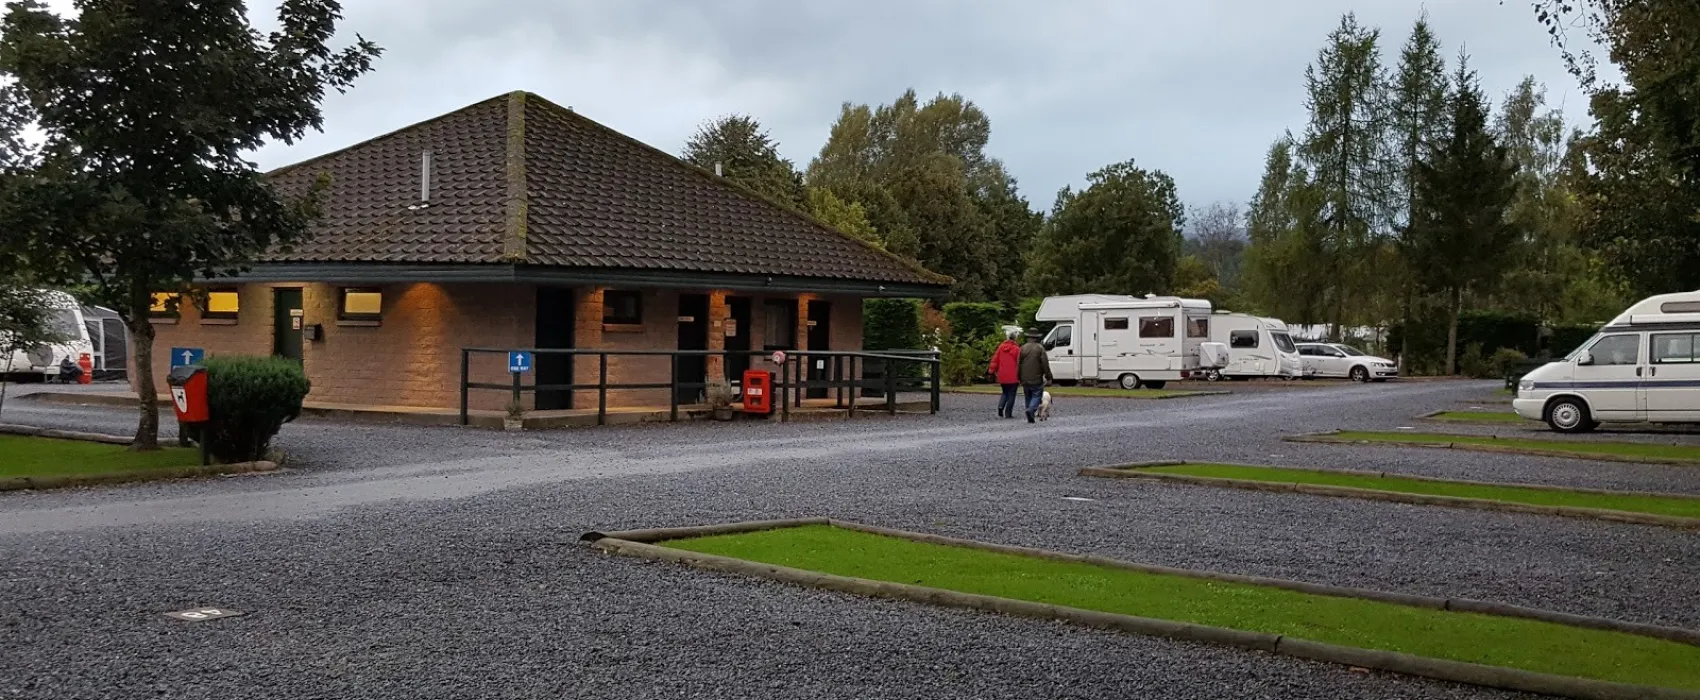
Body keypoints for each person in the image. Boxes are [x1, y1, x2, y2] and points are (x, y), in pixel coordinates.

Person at [1017, 327, 1053, 423]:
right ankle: (1031, 410)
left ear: (1028, 337)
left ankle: (1029, 412)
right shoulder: (1040, 348)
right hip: (1036, 377)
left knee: (1027, 395)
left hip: (1024, 377)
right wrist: (1048, 376)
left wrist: (1018, 377)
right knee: (1036, 395)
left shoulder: (1022, 348)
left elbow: (1018, 363)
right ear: (1036, 338)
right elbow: (1045, 363)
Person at [986, 328, 1021, 418]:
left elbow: (995, 360)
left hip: (1002, 374)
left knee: (1005, 392)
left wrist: (991, 371)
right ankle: (1008, 413)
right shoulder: (1016, 349)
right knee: (1012, 394)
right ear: (1015, 339)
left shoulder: (1001, 347)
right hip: (1013, 376)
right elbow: (1019, 362)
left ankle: (1001, 406)